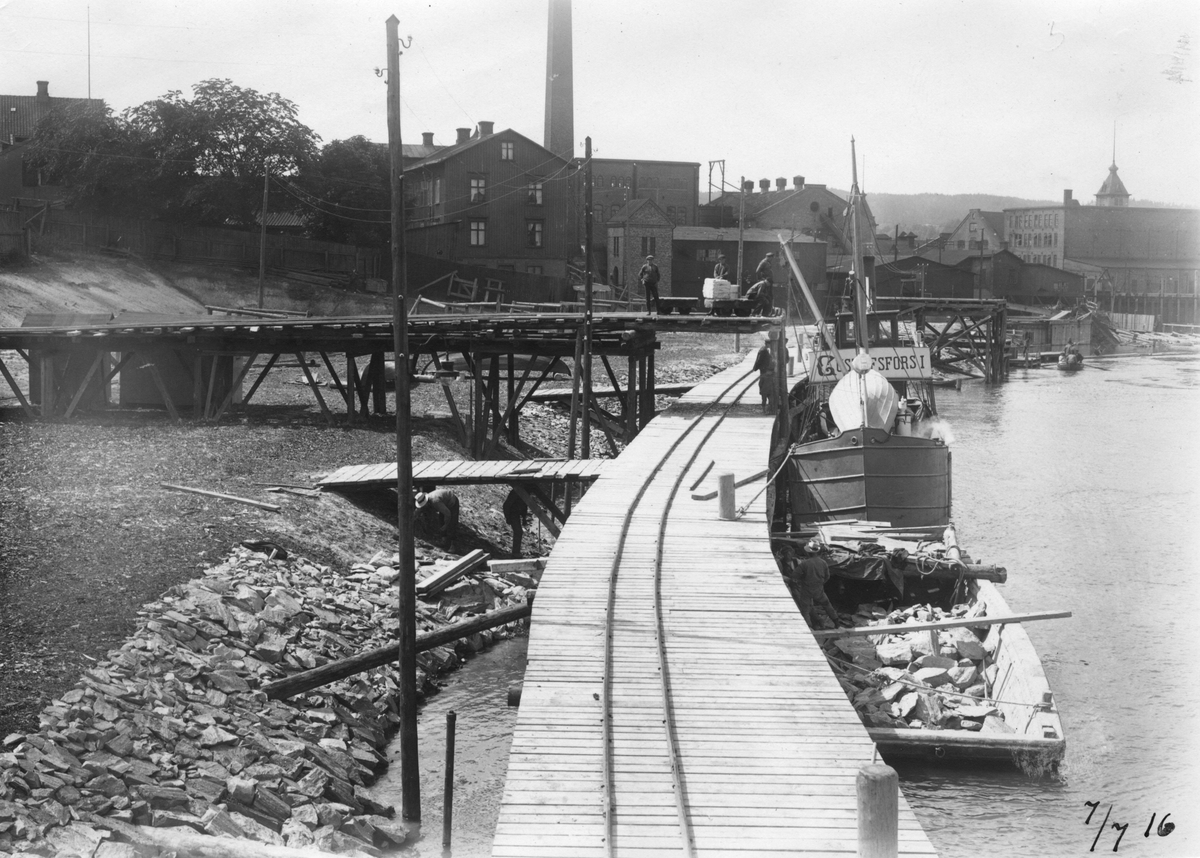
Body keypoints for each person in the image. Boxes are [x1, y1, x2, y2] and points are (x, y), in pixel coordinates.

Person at [778, 542, 839, 629]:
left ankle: (809, 626)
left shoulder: (804, 563)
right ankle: (836, 623)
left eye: (789, 552)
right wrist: (820, 583)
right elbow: (827, 576)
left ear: (807, 552)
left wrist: (802, 579)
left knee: (805, 609)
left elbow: (794, 575)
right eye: (786, 553)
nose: (788, 555)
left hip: (806, 589)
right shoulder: (823, 562)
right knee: (826, 605)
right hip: (817, 589)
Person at [502, 488, 529, 556]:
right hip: (512, 513)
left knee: (519, 532)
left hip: (518, 513)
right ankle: (515, 553)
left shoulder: (525, 493)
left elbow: (524, 506)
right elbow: (506, 505)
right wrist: (507, 517)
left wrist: (524, 519)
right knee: (518, 531)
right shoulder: (515, 492)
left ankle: (516, 552)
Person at [753, 336, 775, 413]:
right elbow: (759, 360)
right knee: (769, 398)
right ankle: (768, 410)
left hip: (764, 372)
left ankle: (765, 410)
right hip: (763, 369)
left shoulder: (764, 350)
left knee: (764, 398)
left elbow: (760, 384)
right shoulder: (764, 351)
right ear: (768, 344)